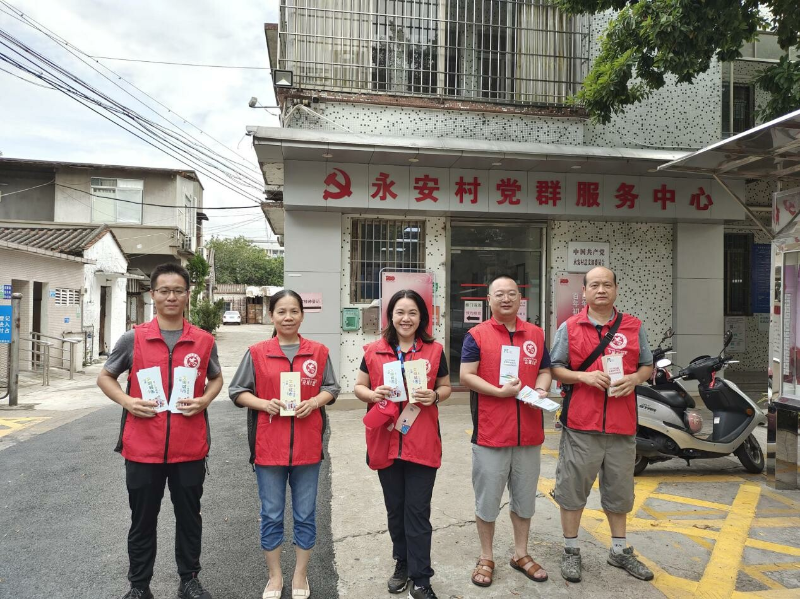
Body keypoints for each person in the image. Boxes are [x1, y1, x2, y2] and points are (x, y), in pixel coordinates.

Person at [97, 263, 223, 599]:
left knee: (189, 518)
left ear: (187, 295)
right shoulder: (133, 338)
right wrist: (127, 401)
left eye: (178, 290)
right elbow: (105, 377)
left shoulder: (203, 341)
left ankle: (189, 580)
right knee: (142, 520)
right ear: (153, 294)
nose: (171, 297)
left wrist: (204, 400)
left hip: (189, 448)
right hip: (142, 449)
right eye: (164, 290)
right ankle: (139, 586)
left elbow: (216, 379)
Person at [228, 290, 340, 599]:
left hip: (307, 449)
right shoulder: (256, 352)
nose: (288, 317)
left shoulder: (318, 352)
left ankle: (300, 574)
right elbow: (237, 391)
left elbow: (332, 387)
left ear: (302, 315)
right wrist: (264, 404)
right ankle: (275, 575)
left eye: (294, 311)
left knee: (305, 514)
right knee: (272, 514)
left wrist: (314, 402)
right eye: (281, 311)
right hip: (268, 449)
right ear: (271, 316)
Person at [550, 266, 654, 583]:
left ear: (616, 289)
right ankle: (571, 550)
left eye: (607, 284)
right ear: (584, 291)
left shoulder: (634, 327)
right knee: (572, 491)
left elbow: (646, 365)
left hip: (622, 425)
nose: (601, 290)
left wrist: (634, 379)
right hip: (581, 425)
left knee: (620, 492)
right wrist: (583, 376)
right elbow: (555, 368)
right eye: (594, 285)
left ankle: (619, 551)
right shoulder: (570, 327)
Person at [354, 289, 452, 599]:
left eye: (412, 313)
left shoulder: (434, 351)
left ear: (422, 317)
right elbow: (359, 386)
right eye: (400, 312)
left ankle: (421, 579)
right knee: (395, 511)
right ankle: (402, 563)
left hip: (421, 443)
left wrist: (435, 396)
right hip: (385, 441)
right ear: (391, 316)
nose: (405, 318)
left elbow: (446, 387)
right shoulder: (373, 351)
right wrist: (373, 395)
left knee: (418, 513)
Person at [460, 275, 552, 588]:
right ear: (488, 300)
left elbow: (544, 369)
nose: (506, 298)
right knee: (487, 501)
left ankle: (521, 554)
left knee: (524, 500)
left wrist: (541, 388)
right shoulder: (476, 335)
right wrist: (499, 392)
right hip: (491, 433)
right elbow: (466, 375)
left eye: (512, 293)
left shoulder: (535, 334)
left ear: (520, 299)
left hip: (529, 433)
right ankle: (486, 556)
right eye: (499, 294)